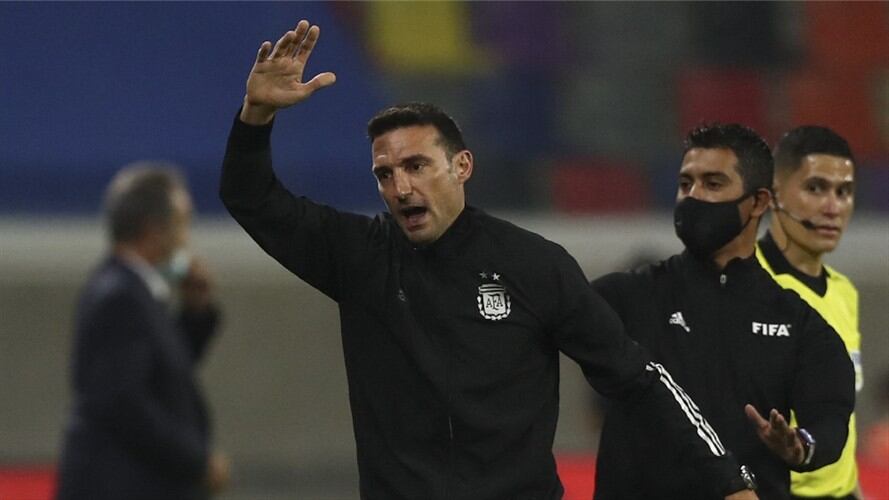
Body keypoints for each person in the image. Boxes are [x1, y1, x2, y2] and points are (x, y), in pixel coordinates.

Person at [220, 20, 759, 500]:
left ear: (462, 166)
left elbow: (637, 377)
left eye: (416, 165)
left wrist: (727, 479)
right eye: (385, 174)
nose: (401, 186)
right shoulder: (360, 255)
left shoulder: (534, 265)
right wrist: (256, 115)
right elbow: (252, 199)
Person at [590, 123, 855, 499]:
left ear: (759, 202)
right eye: (686, 184)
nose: (693, 197)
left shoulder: (799, 324)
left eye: (713, 184)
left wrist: (800, 445)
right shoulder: (626, 298)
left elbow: (829, 420)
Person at [56, 164, 229, 500]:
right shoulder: (119, 297)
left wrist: (196, 313)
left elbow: (160, 377)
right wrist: (199, 463)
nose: (186, 238)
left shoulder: (133, 290)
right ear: (153, 230)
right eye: (183, 224)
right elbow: (125, 404)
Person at [756, 126, 862, 500]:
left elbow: (843, 419)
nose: (833, 207)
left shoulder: (844, 293)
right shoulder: (745, 285)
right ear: (773, 194)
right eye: (816, 188)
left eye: (843, 191)